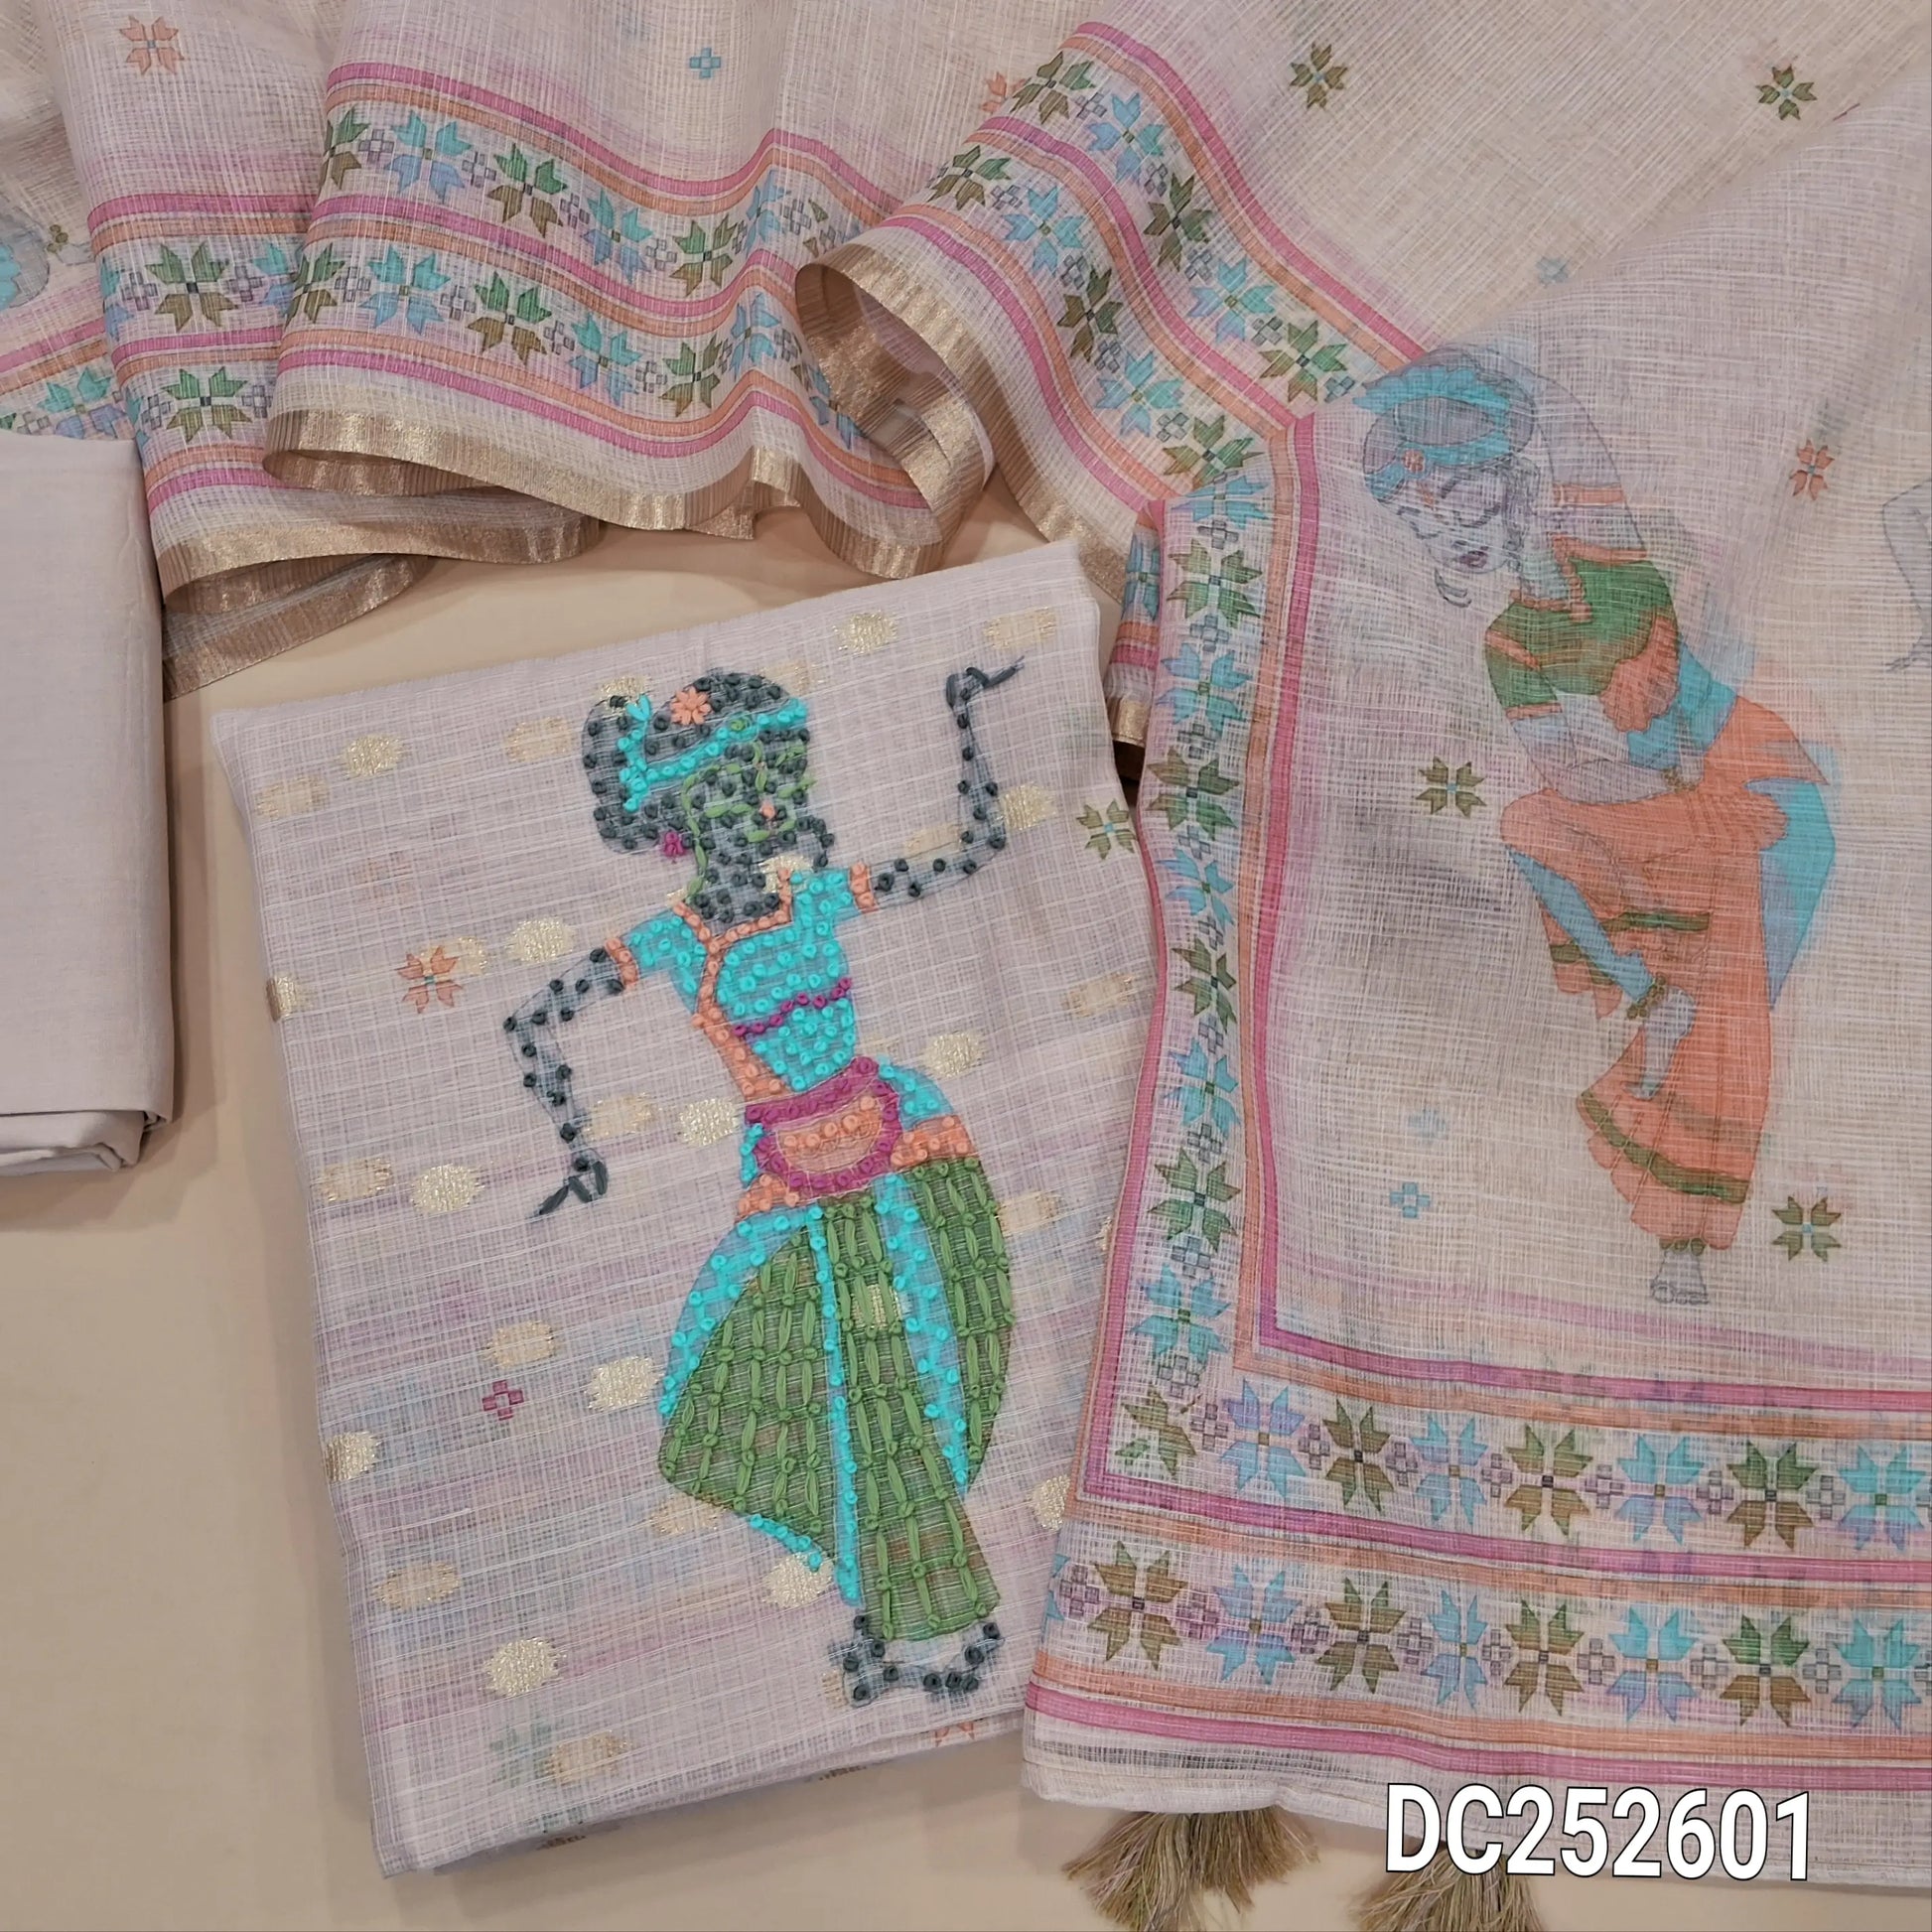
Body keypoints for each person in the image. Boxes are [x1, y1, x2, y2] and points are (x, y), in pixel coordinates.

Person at [505, 663, 1023, 1691]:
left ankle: (930, 1614)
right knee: (792, 1378)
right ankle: (894, 1603)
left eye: (775, 785)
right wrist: (580, 1147)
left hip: (902, 1145)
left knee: (925, 1360)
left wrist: (964, 719)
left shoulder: (813, 895)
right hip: (788, 1178)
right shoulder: (670, 940)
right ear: (678, 816)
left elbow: (974, 851)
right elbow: (532, 1019)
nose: (771, 810)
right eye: (740, 792)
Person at [1359, 349, 1834, 1304]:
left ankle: (1686, 1240)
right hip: (1670, 797)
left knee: (1730, 1005)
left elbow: (1572, 429)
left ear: (1507, 476)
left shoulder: (1609, 546)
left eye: (1451, 495)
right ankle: (1648, 996)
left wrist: (1474, 372)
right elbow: (1571, 773)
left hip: (1763, 786)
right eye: (1416, 521)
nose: (1443, 532)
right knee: (1530, 825)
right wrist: (1664, 794)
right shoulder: (1508, 645)